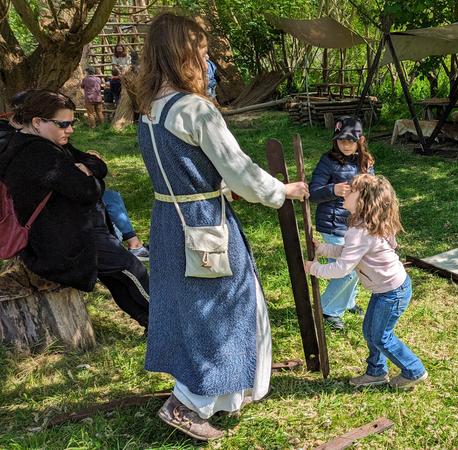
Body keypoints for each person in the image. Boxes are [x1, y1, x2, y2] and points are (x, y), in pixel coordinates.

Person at [135, 13, 308, 441]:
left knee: (189, 307)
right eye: (203, 50)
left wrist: (212, 187)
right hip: (200, 226)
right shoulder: (193, 109)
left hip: (169, 222)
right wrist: (279, 191)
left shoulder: (149, 106)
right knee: (225, 305)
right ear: (184, 53)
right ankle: (189, 402)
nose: (208, 58)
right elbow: (240, 171)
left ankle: (216, 391)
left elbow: (186, 170)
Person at [0, 90, 149, 329]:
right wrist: (90, 176)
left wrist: (89, 169)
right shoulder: (37, 152)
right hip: (68, 241)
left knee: (119, 278)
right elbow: (88, 190)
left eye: (72, 123)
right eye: (63, 124)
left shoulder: (46, 144)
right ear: (38, 122)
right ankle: (166, 325)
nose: (70, 130)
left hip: (75, 233)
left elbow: (97, 163)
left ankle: (152, 323)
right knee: (131, 270)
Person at [305, 174, 428, 390]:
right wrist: (322, 249)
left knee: (380, 336)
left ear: (362, 199)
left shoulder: (360, 232)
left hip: (392, 292)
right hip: (387, 290)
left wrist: (314, 268)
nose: (346, 190)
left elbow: (343, 267)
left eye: (351, 189)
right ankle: (376, 372)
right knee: (371, 331)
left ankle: (414, 370)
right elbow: (351, 253)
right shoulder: (364, 225)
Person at [309, 116, 374, 330]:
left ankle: (347, 301)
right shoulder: (328, 161)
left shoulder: (365, 162)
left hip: (356, 223)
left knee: (358, 263)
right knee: (347, 269)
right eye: (340, 140)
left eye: (349, 141)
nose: (345, 145)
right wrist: (333, 190)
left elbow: (373, 191)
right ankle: (327, 309)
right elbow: (313, 193)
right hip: (333, 222)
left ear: (360, 140)